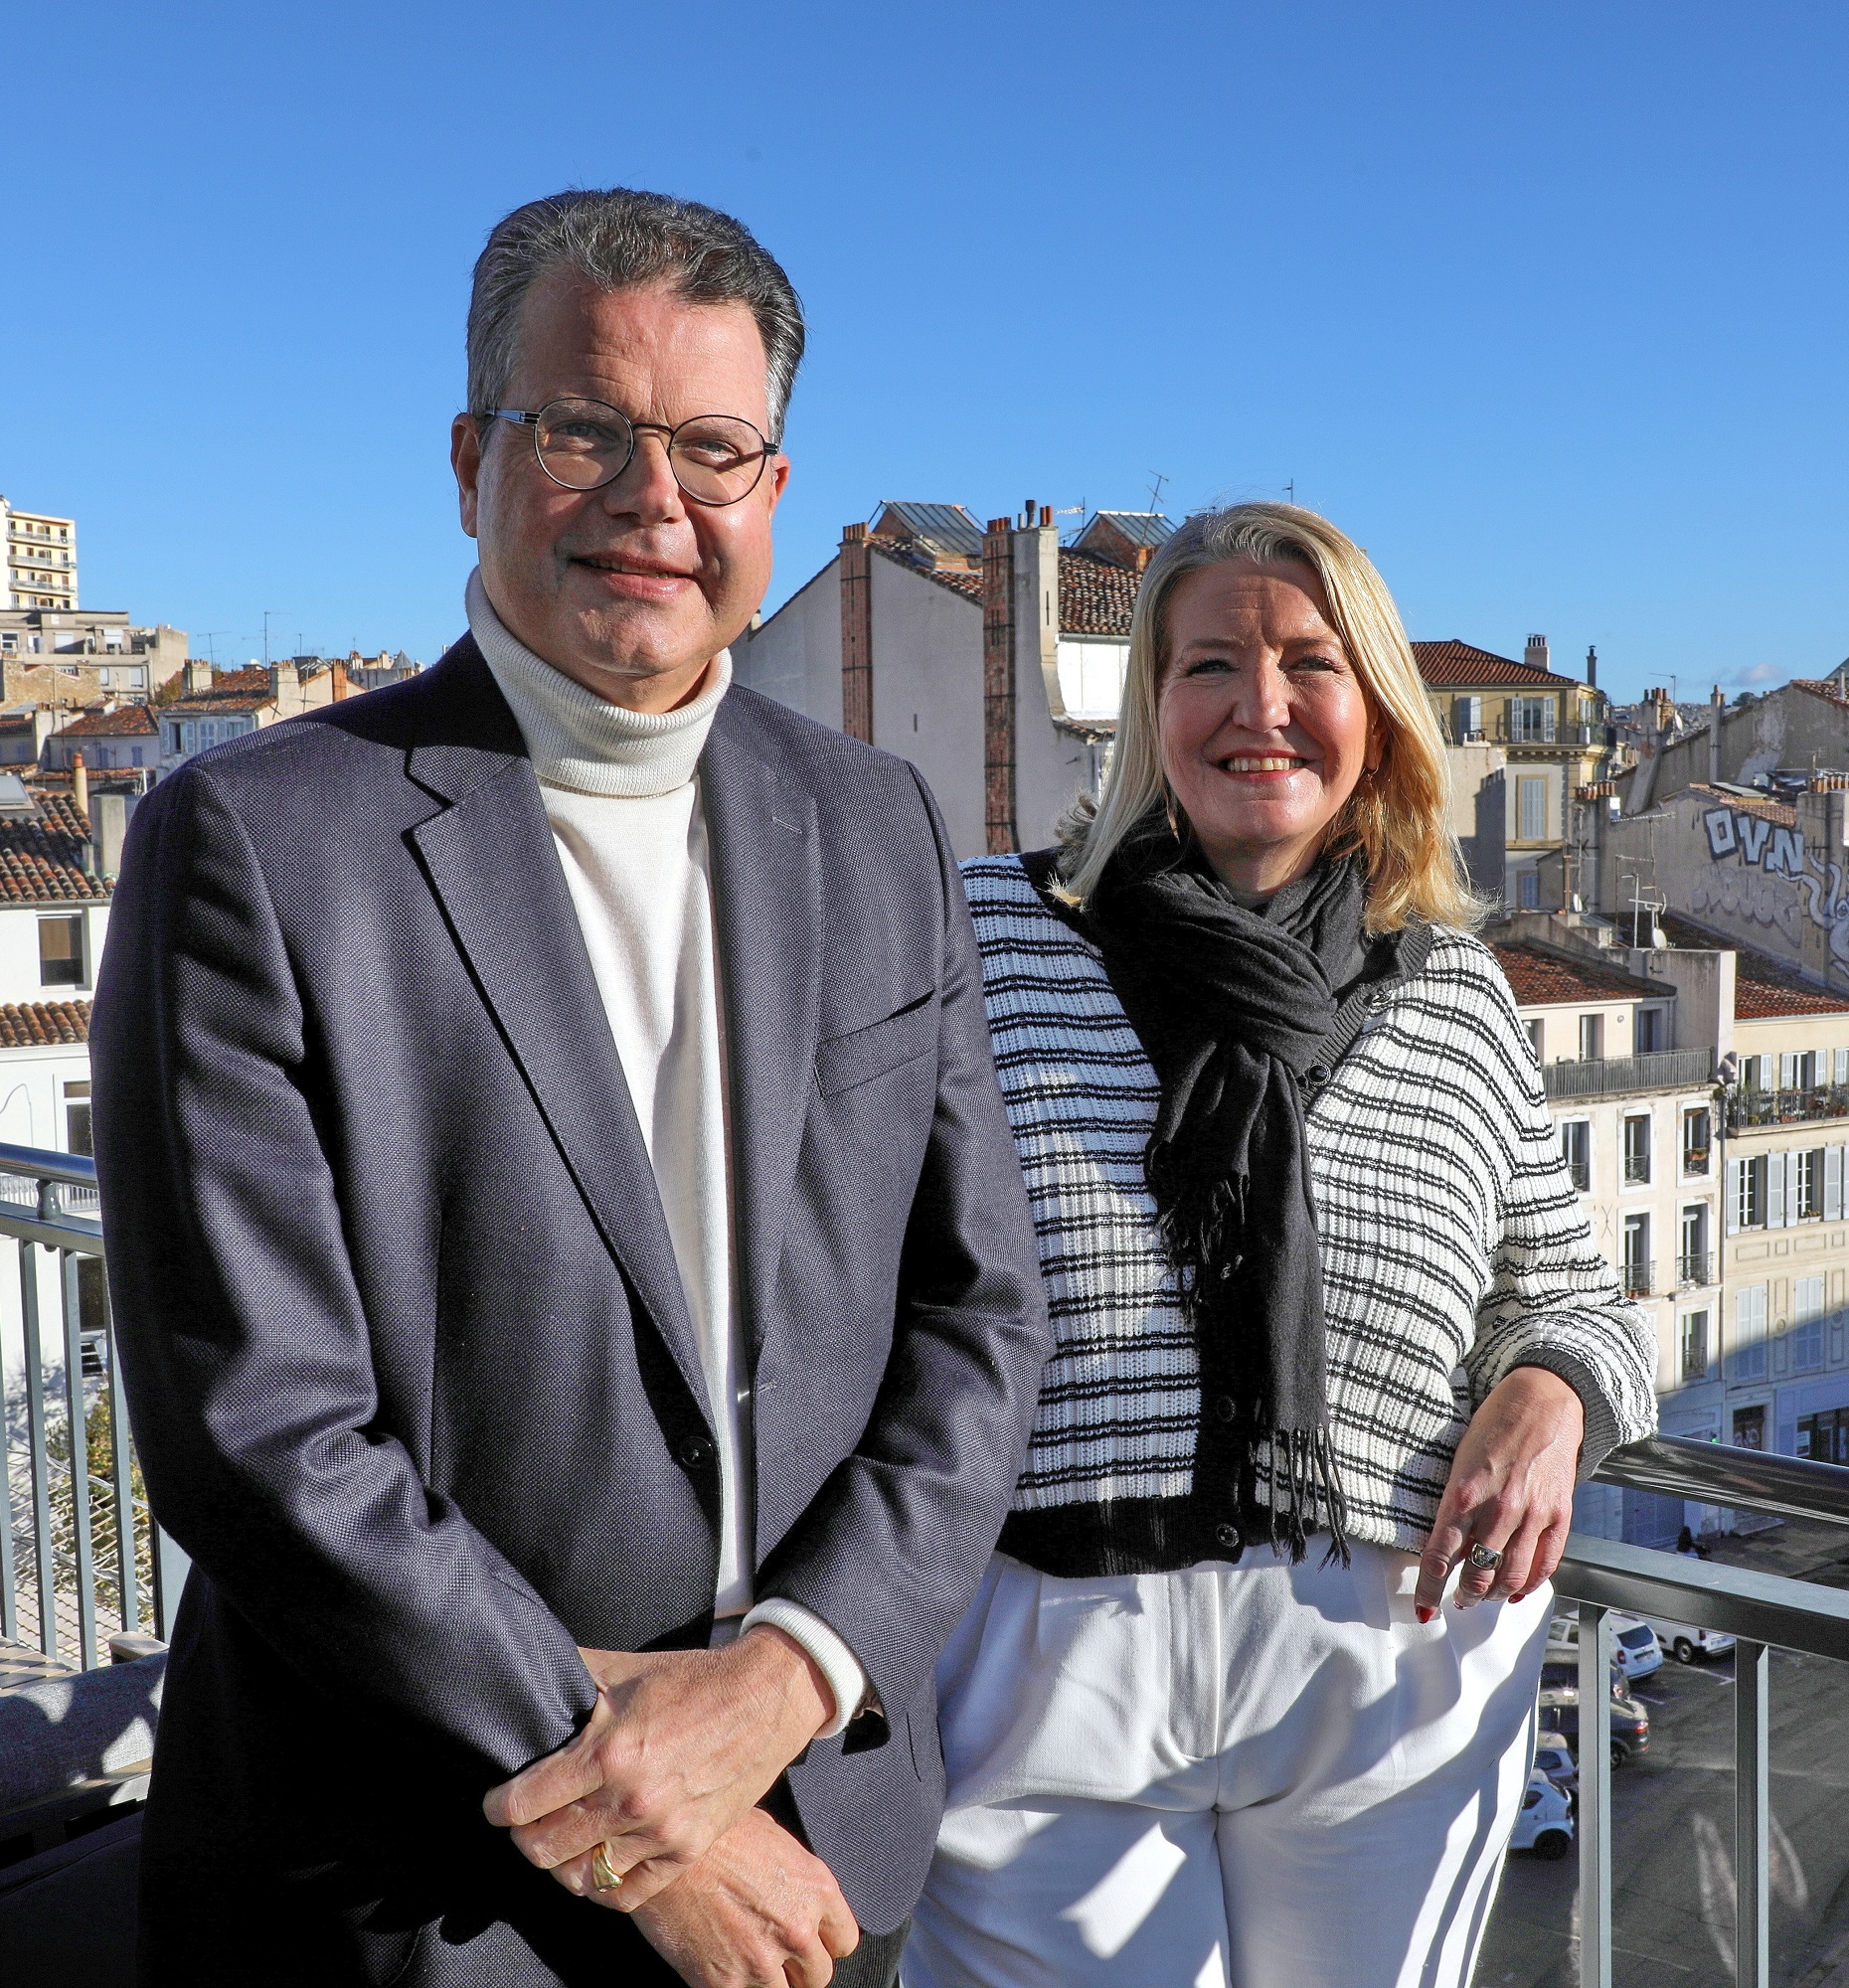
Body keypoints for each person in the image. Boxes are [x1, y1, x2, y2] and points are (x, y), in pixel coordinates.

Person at [94, 188, 1053, 1988]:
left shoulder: (878, 824)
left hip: (819, 1835)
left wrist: (793, 1677)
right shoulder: (255, 843)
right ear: (472, 462)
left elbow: (980, 1320)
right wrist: (641, 1807)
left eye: (712, 447)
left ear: (774, 490)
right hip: (416, 1881)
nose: (651, 498)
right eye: (584, 431)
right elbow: (258, 1428)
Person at [906, 505, 1659, 1987]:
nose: (1261, 706)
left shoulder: (1454, 989)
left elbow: (1576, 1294)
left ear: (1374, 707)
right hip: (1054, 1650)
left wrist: (1551, 1392)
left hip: (1391, 1657)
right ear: (1151, 708)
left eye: (1310, 662)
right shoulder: (989, 938)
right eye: (1209, 666)